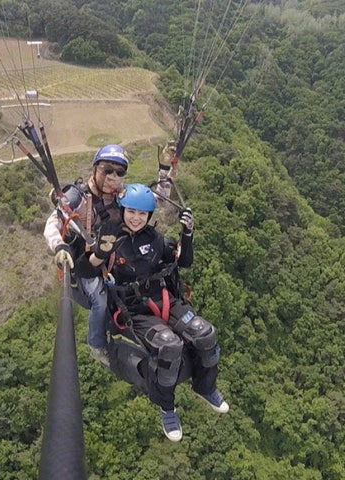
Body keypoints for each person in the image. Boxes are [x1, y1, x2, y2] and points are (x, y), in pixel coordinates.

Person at [89, 183, 228, 442]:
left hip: (165, 299)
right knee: (170, 346)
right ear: (123, 210)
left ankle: (205, 387)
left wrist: (187, 233)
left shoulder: (154, 239)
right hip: (135, 310)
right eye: (131, 211)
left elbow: (183, 262)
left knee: (206, 334)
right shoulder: (110, 240)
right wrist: (99, 253)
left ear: (149, 216)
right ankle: (167, 407)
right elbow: (88, 270)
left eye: (142, 214)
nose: (136, 218)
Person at [43, 144, 130, 367]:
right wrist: (59, 246)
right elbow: (52, 223)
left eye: (119, 172)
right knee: (100, 301)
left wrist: (166, 170)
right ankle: (96, 345)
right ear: (95, 169)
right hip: (83, 266)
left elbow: (145, 210)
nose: (113, 177)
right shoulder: (77, 197)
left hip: (108, 259)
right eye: (107, 170)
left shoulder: (120, 198)